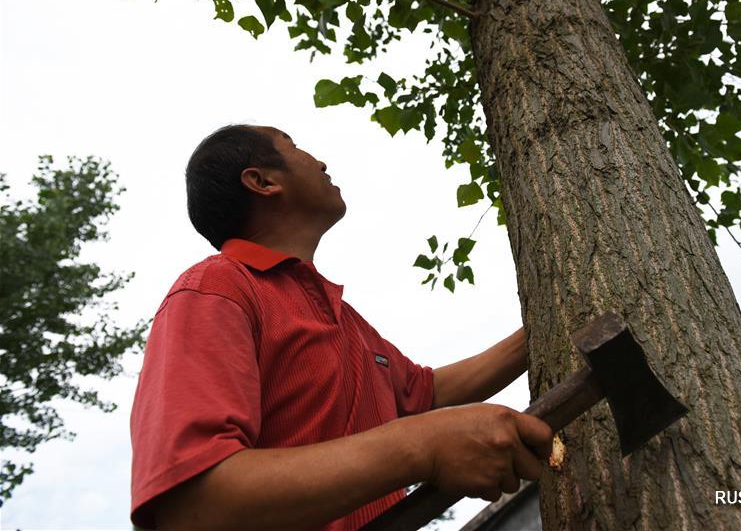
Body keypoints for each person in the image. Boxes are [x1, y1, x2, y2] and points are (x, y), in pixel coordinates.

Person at [129, 124, 553, 530]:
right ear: (262, 181)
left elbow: (427, 392)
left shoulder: (344, 319)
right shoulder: (215, 289)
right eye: (293, 144)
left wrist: (543, 329)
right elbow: (192, 505)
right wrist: (422, 446)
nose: (321, 162)